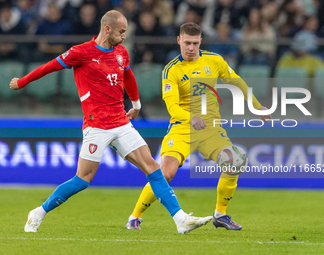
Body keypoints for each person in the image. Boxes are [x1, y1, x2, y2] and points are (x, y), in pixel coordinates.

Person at [9, 11, 212, 234]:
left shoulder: (121, 53)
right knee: (83, 179)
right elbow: (49, 67)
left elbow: (128, 76)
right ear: (107, 29)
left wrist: (136, 104)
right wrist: (22, 81)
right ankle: (39, 212)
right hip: (96, 126)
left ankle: (180, 219)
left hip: (121, 122)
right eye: (121, 32)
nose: (124, 36)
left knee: (153, 168)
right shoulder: (81, 52)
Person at [125, 22, 272, 230]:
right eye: (187, 43)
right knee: (165, 173)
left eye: (195, 43)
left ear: (201, 41)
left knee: (235, 161)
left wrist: (257, 107)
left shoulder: (214, 60)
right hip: (182, 128)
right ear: (179, 41)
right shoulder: (171, 70)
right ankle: (134, 217)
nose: (191, 48)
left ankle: (220, 214)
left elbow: (237, 82)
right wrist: (191, 117)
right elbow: (172, 107)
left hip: (211, 129)